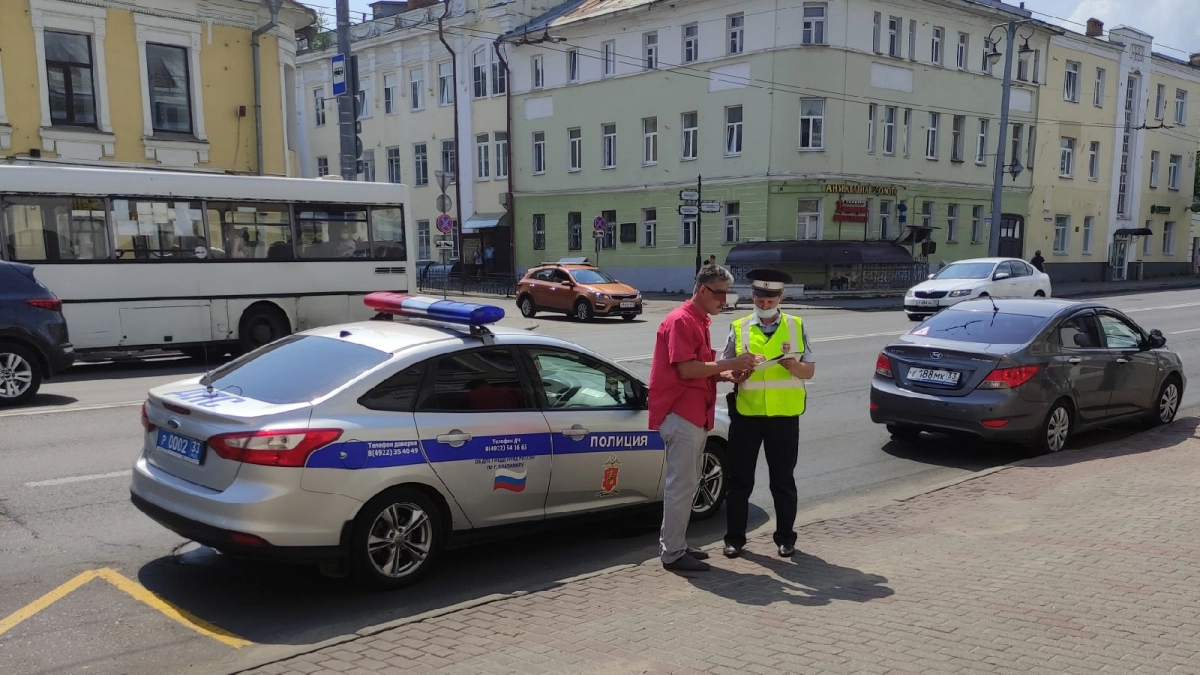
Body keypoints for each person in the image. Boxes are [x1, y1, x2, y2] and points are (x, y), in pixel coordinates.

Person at [649, 265, 758, 573]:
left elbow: (701, 368)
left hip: (693, 414)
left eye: (727, 294)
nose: (725, 301)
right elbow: (686, 369)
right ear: (702, 291)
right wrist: (728, 363)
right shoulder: (682, 320)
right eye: (721, 294)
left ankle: (677, 544)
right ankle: (672, 552)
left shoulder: (697, 320)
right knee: (681, 486)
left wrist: (728, 373)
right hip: (681, 413)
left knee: (687, 484)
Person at [721, 268, 815, 559]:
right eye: (760, 298)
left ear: (781, 296)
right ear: (753, 295)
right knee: (739, 481)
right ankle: (734, 540)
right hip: (747, 415)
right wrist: (736, 374)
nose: (765, 304)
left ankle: (786, 539)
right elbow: (724, 367)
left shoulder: (796, 325)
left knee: (783, 481)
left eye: (771, 298)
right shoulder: (739, 327)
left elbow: (809, 370)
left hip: (784, 417)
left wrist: (794, 366)